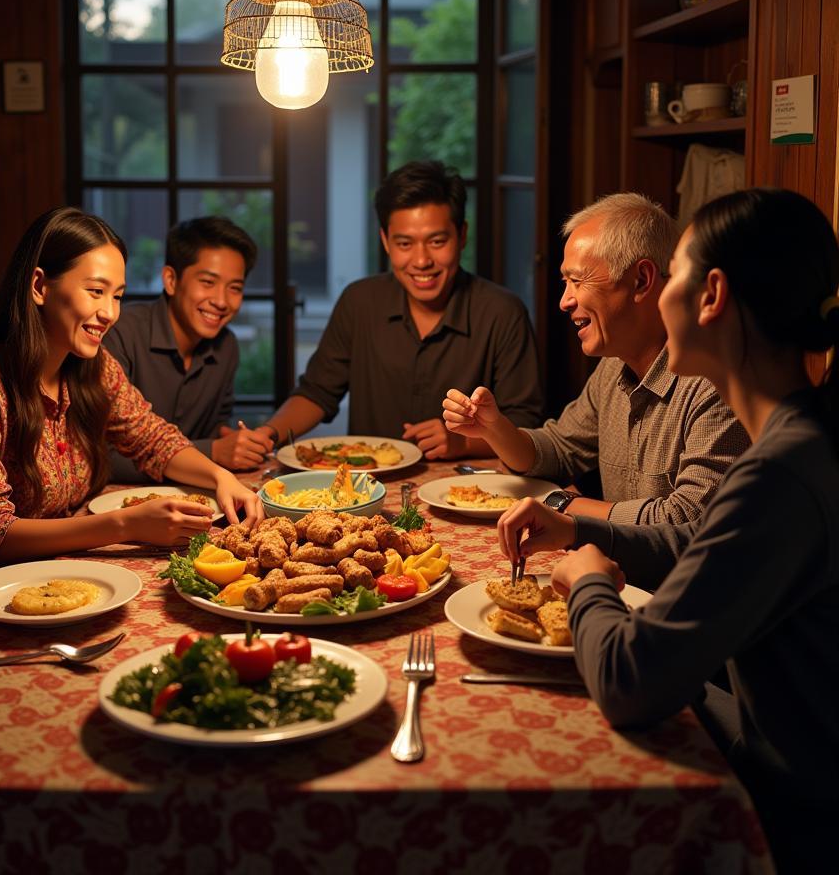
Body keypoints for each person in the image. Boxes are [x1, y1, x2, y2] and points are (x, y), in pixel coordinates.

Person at [495, 189, 839, 871]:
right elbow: (699, 546)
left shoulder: (780, 472)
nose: (660, 293)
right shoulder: (803, 436)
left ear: (710, 295)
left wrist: (589, 583)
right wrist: (585, 537)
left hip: (788, 812)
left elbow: (631, 680)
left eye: (673, 271)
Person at [0, 207, 262, 561]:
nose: (110, 312)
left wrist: (219, 476)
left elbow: (153, 438)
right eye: (95, 291)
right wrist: (124, 526)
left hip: (62, 571)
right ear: (40, 286)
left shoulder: (93, 366)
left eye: (117, 296)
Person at [443, 192, 748, 524]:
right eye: (565, 282)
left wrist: (563, 504)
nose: (564, 301)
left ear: (642, 280)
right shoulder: (614, 366)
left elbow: (687, 520)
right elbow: (559, 452)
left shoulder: (713, 380)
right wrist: (493, 428)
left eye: (577, 280)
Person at [254, 160, 544, 459]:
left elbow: (526, 425)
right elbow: (317, 392)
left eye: (436, 241)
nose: (421, 261)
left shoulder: (503, 312)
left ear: (462, 236)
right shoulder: (359, 301)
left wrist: (464, 442)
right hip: (370, 487)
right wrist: (267, 435)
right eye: (404, 244)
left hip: (466, 489)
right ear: (385, 242)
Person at [105, 216, 269, 479]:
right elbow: (101, 457)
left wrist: (233, 441)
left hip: (195, 499)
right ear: (171, 280)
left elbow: (214, 426)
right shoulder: (120, 334)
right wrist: (213, 451)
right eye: (207, 282)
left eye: (235, 288)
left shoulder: (226, 346)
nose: (221, 301)